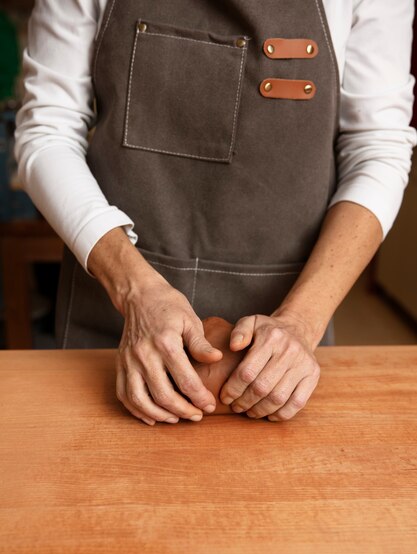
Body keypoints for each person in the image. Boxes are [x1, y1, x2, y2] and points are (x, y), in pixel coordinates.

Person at [15, 0, 416, 426]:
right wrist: (135, 291)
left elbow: (378, 150)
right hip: (114, 312)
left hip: (282, 349)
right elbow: (47, 129)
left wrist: (300, 321)